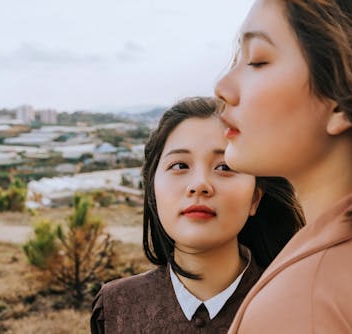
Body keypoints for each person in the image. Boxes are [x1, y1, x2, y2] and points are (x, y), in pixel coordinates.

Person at [214, 0, 352, 333]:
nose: (223, 87)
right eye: (236, 60)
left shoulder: (301, 305)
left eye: (257, 60)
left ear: (343, 100)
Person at [90, 97, 303, 333]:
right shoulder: (117, 308)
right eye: (180, 165)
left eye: (224, 167)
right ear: (152, 189)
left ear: (255, 198)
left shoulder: (299, 308)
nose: (199, 184)